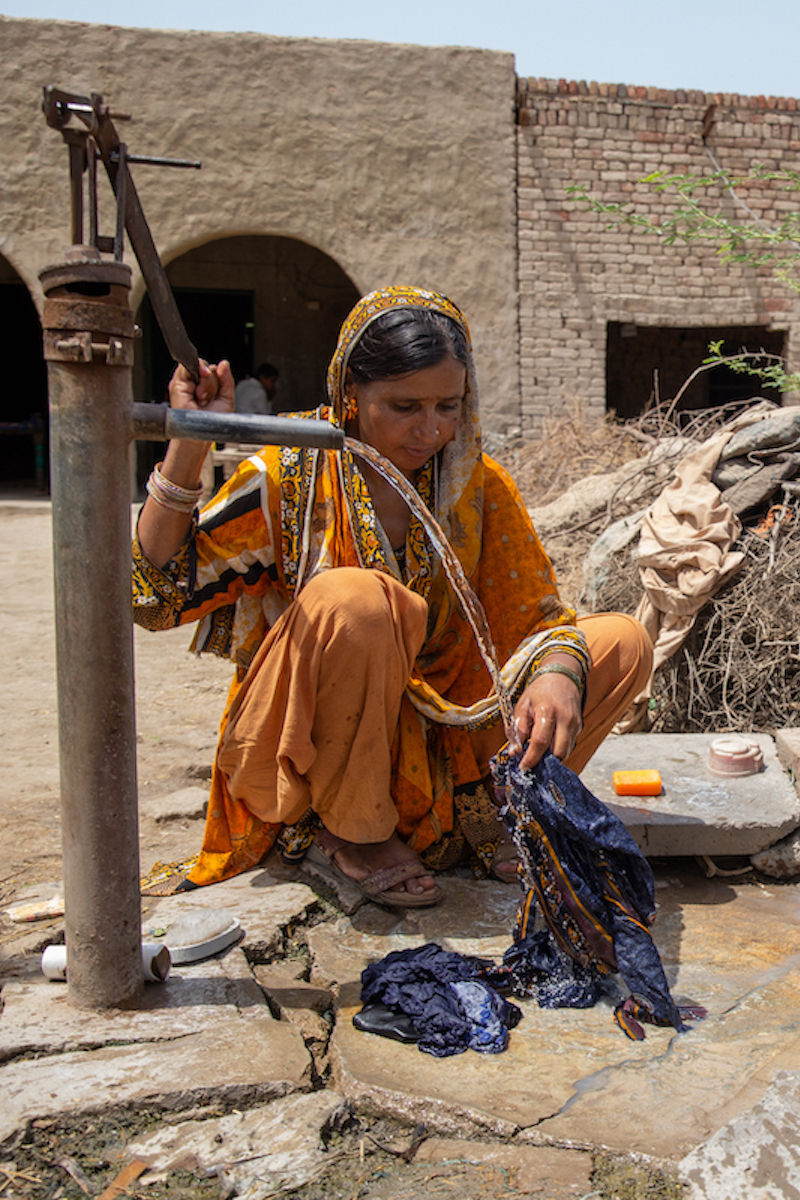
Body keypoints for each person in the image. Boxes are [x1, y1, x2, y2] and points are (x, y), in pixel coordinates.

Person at [133, 286, 651, 907]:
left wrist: (560, 672)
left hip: (449, 743)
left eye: (448, 406)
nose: (429, 430)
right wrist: (192, 441)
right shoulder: (292, 468)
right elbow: (155, 598)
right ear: (351, 394)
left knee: (619, 642)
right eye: (404, 406)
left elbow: (541, 618)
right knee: (360, 601)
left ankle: (490, 813)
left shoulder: (476, 487)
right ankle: (352, 830)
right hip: (315, 747)